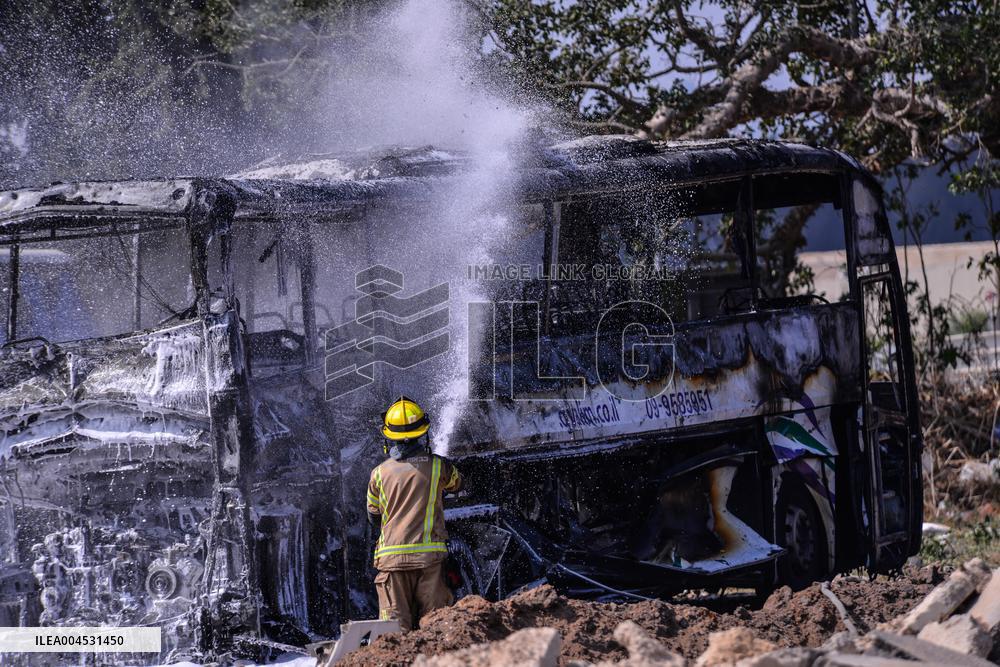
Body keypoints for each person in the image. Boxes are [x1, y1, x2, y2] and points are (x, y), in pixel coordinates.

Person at [366, 396, 462, 631]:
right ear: (423, 433)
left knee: (395, 634)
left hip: (392, 564)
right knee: (436, 630)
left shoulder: (378, 474)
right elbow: (458, 485)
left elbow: (373, 515)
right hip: (430, 561)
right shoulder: (440, 466)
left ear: (389, 437)